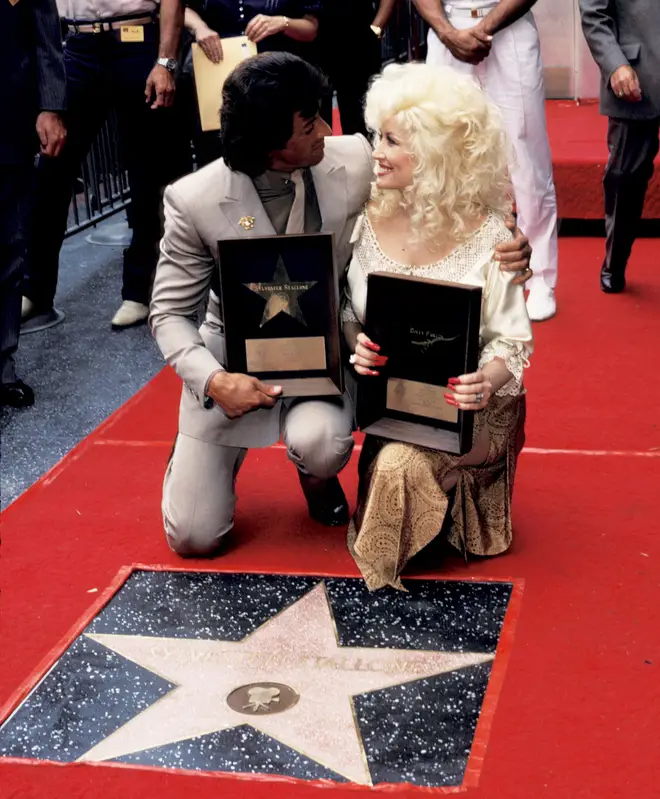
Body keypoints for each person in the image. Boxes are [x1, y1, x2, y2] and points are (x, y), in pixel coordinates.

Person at [149, 52, 532, 558]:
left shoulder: (350, 161)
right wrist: (214, 381)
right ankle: (199, 451)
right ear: (272, 144)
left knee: (325, 445)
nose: (329, 129)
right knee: (193, 539)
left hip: (325, 360)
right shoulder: (192, 200)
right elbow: (170, 315)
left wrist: (508, 239)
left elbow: (439, 180)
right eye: (310, 124)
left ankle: (314, 475)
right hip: (230, 367)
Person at [343, 63, 533, 591]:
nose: (375, 150)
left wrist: (485, 382)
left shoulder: (492, 235)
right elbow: (346, 310)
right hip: (389, 398)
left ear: (433, 152)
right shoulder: (361, 212)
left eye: (392, 140)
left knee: (400, 467)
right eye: (376, 134)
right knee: (394, 460)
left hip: (467, 404)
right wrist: (355, 343)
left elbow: (512, 341)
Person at [20, 0, 188, 333]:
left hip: (137, 37)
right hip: (76, 44)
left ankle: (140, 289)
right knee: (52, 171)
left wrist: (165, 61)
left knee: (145, 172)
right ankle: (36, 288)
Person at [413, 0, 558, 323]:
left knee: (525, 159)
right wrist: (448, 32)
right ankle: (455, 269)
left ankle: (540, 278)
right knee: (445, 156)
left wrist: (484, 28)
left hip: (509, 31)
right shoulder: (447, 32)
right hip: (446, 31)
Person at [1, 0, 66, 409]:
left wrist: (52, 106)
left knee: (7, 247)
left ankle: (2, 366)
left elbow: (47, 39)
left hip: (8, 118)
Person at [179, 0, 322, 167]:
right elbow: (182, 8)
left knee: (276, 145)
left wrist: (283, 22)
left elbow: (311, 29)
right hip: (218, 70)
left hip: (275, 76)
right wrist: (199, 27)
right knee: (218, 147)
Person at [579, 0, 660, 294]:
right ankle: (615, 262)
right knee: (625, 178)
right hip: (636, 74)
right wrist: (615, 65)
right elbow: (594, 14)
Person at [317, 0, 397, 138]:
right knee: (318, 116)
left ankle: (369, 157)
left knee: (361, 118)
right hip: (315, 39)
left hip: (360, 38)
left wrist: (376, 28)